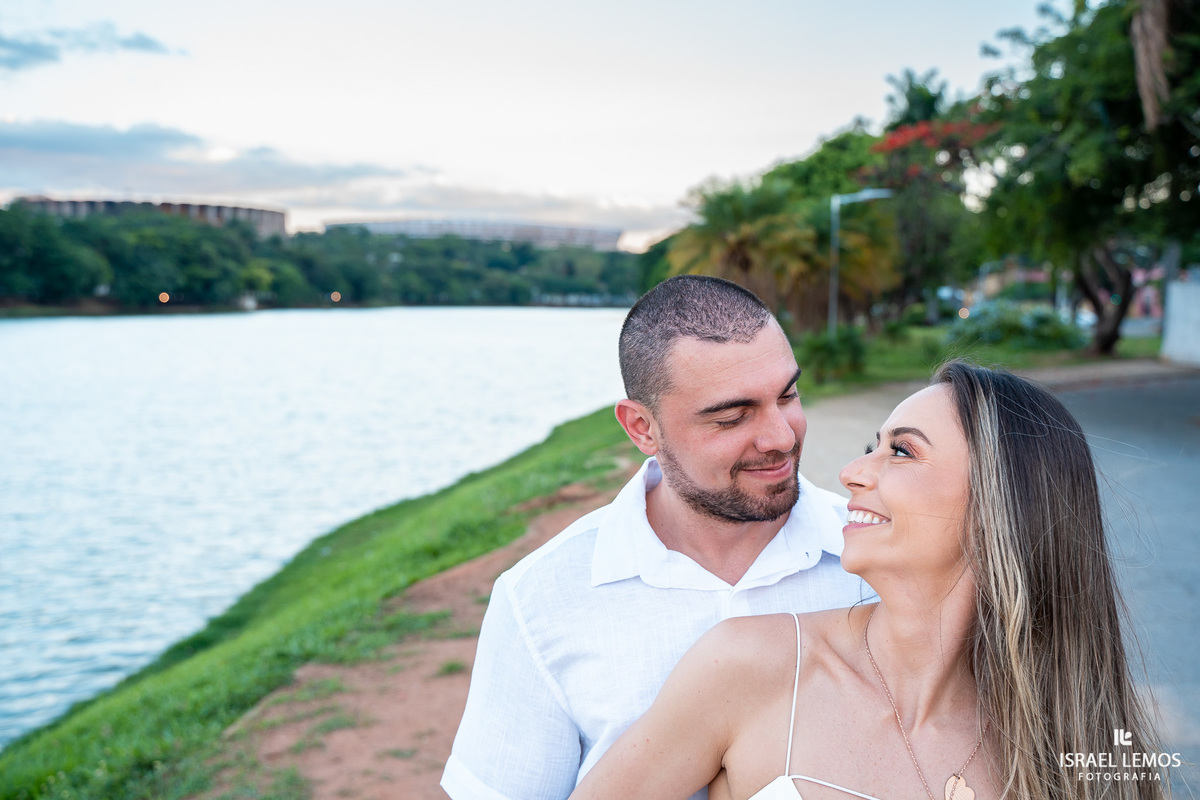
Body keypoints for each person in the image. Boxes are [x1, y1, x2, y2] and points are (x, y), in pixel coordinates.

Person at [570, 361, 1167, 800]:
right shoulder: (750, 666)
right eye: (869, 447)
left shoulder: (1076, 736)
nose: (853, 473)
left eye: (901, 453)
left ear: (1001, 505)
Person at [441, 276, 873, 800]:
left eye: (788, 396)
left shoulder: (876, 561)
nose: (781, 437)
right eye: (732, 417)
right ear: (642, 428)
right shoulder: (539, 599)